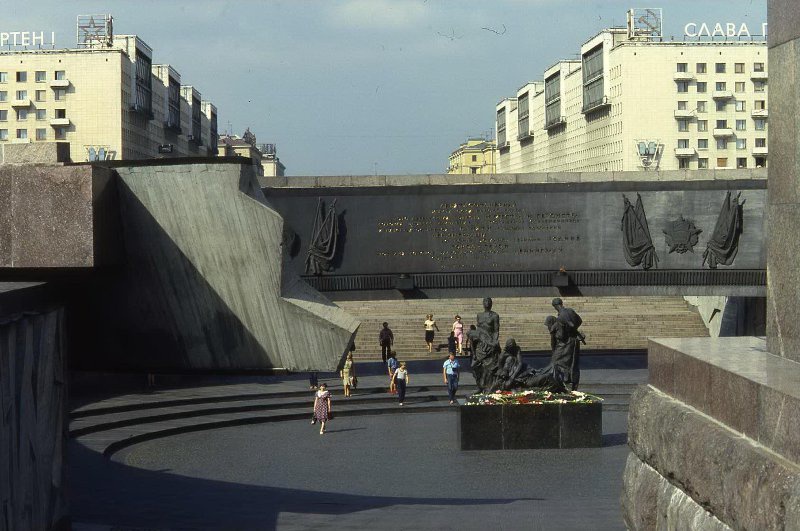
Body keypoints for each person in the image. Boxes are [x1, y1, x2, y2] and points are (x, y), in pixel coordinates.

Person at [550, 297, 585, 390]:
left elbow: (561, 335)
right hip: (574, 341)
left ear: (555, 306)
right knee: (572, 362)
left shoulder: (561, 316)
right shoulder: (570, 311)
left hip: (566, 343)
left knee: (556, 361)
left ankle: (565, 380)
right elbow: (579, 321)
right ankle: (568, 378)